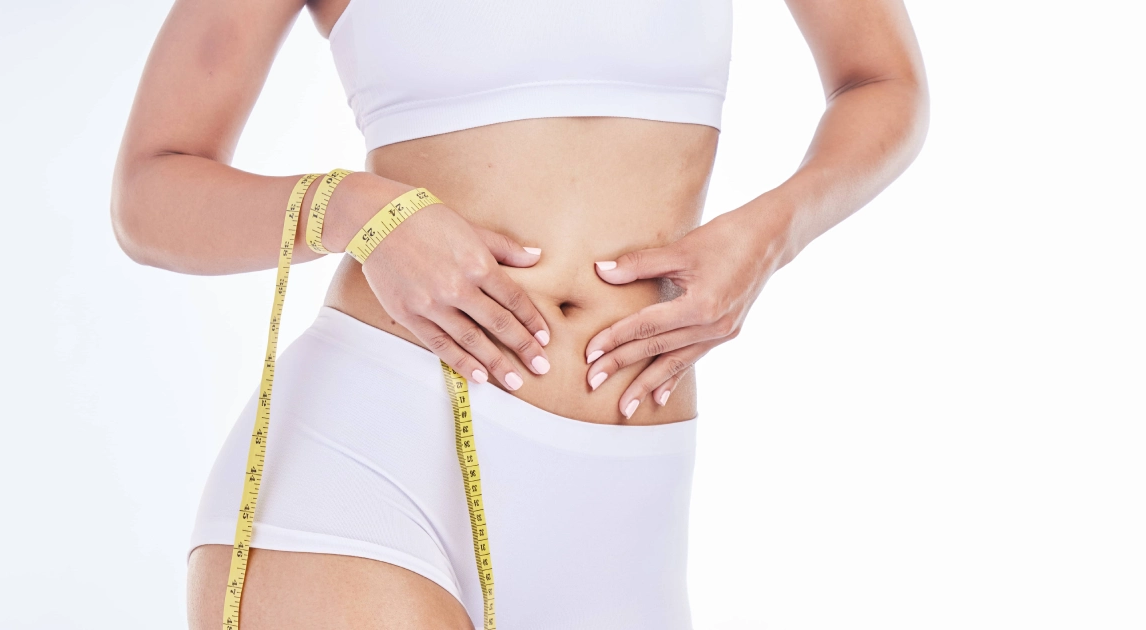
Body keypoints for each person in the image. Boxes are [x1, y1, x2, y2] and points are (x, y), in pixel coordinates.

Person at [112, 0, 928, 627]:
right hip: (376, 454)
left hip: (630, 493)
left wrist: (772, 233)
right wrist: (353, 209)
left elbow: (883, 80)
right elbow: (151, 191)